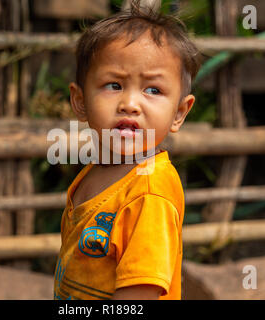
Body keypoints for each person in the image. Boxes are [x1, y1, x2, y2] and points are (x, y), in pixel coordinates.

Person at [53, 0, 201, 300]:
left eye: (153, 90)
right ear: (80, 101)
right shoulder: (97, 172)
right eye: (114, 85)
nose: (130, 104)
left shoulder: (149, 193)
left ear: (179, 113)